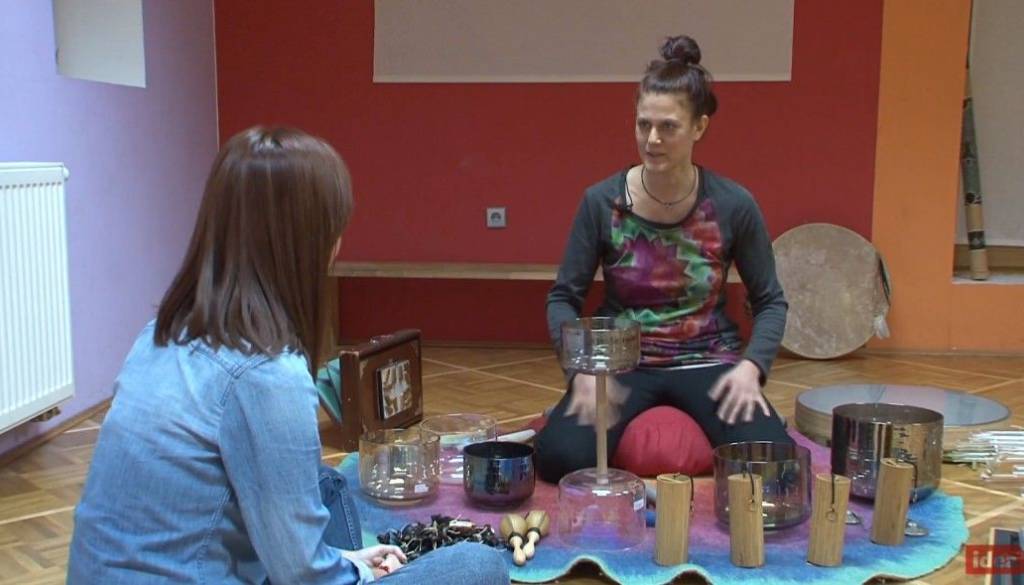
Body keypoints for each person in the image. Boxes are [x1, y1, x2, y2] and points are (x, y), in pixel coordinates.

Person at [67, 127, 510, 585]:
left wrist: (346, 560)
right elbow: (302, 577)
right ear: (309, 241)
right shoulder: (268, 372)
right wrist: (355, 572)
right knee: (478, 566)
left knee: (328, 484)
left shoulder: (164, 331)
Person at [536, 36, 791, 483]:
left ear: (699, 127)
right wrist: (580, 369)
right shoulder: (601, 201)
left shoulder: (733, 204)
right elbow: (563, 298)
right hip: (621, 364)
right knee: (558, 458)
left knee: (774, 465)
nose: (652, 139)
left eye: (668, 127)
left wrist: (752, 367)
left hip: (708, 360)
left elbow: (770, 301)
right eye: (643, 125)